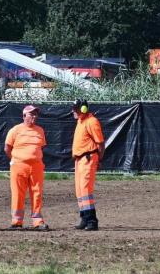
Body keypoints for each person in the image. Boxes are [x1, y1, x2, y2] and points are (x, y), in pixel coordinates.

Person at [4, 105, 49, 230]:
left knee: (37, 193)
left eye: (36, 114)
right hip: (19, 166)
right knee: (18, 193)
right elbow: (7, 148)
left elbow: (41, 147)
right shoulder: (15, 130)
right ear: (24, 116)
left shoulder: (40, 130)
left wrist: (33, 157)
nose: (35, 116)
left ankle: (37, 221)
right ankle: (17, 221)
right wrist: (16, 159)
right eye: (32, 114)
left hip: (36, 167)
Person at [71, 99, 105, 231]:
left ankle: (92, 220)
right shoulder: (80, 121)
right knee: (80, 191)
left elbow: (100, 143)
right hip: (79, 160)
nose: (72, 111)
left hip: (88, 158)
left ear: (83, 109)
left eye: (75, 109)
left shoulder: (92, 121)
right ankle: (84, 217)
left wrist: (98, 160)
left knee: (85, 190)